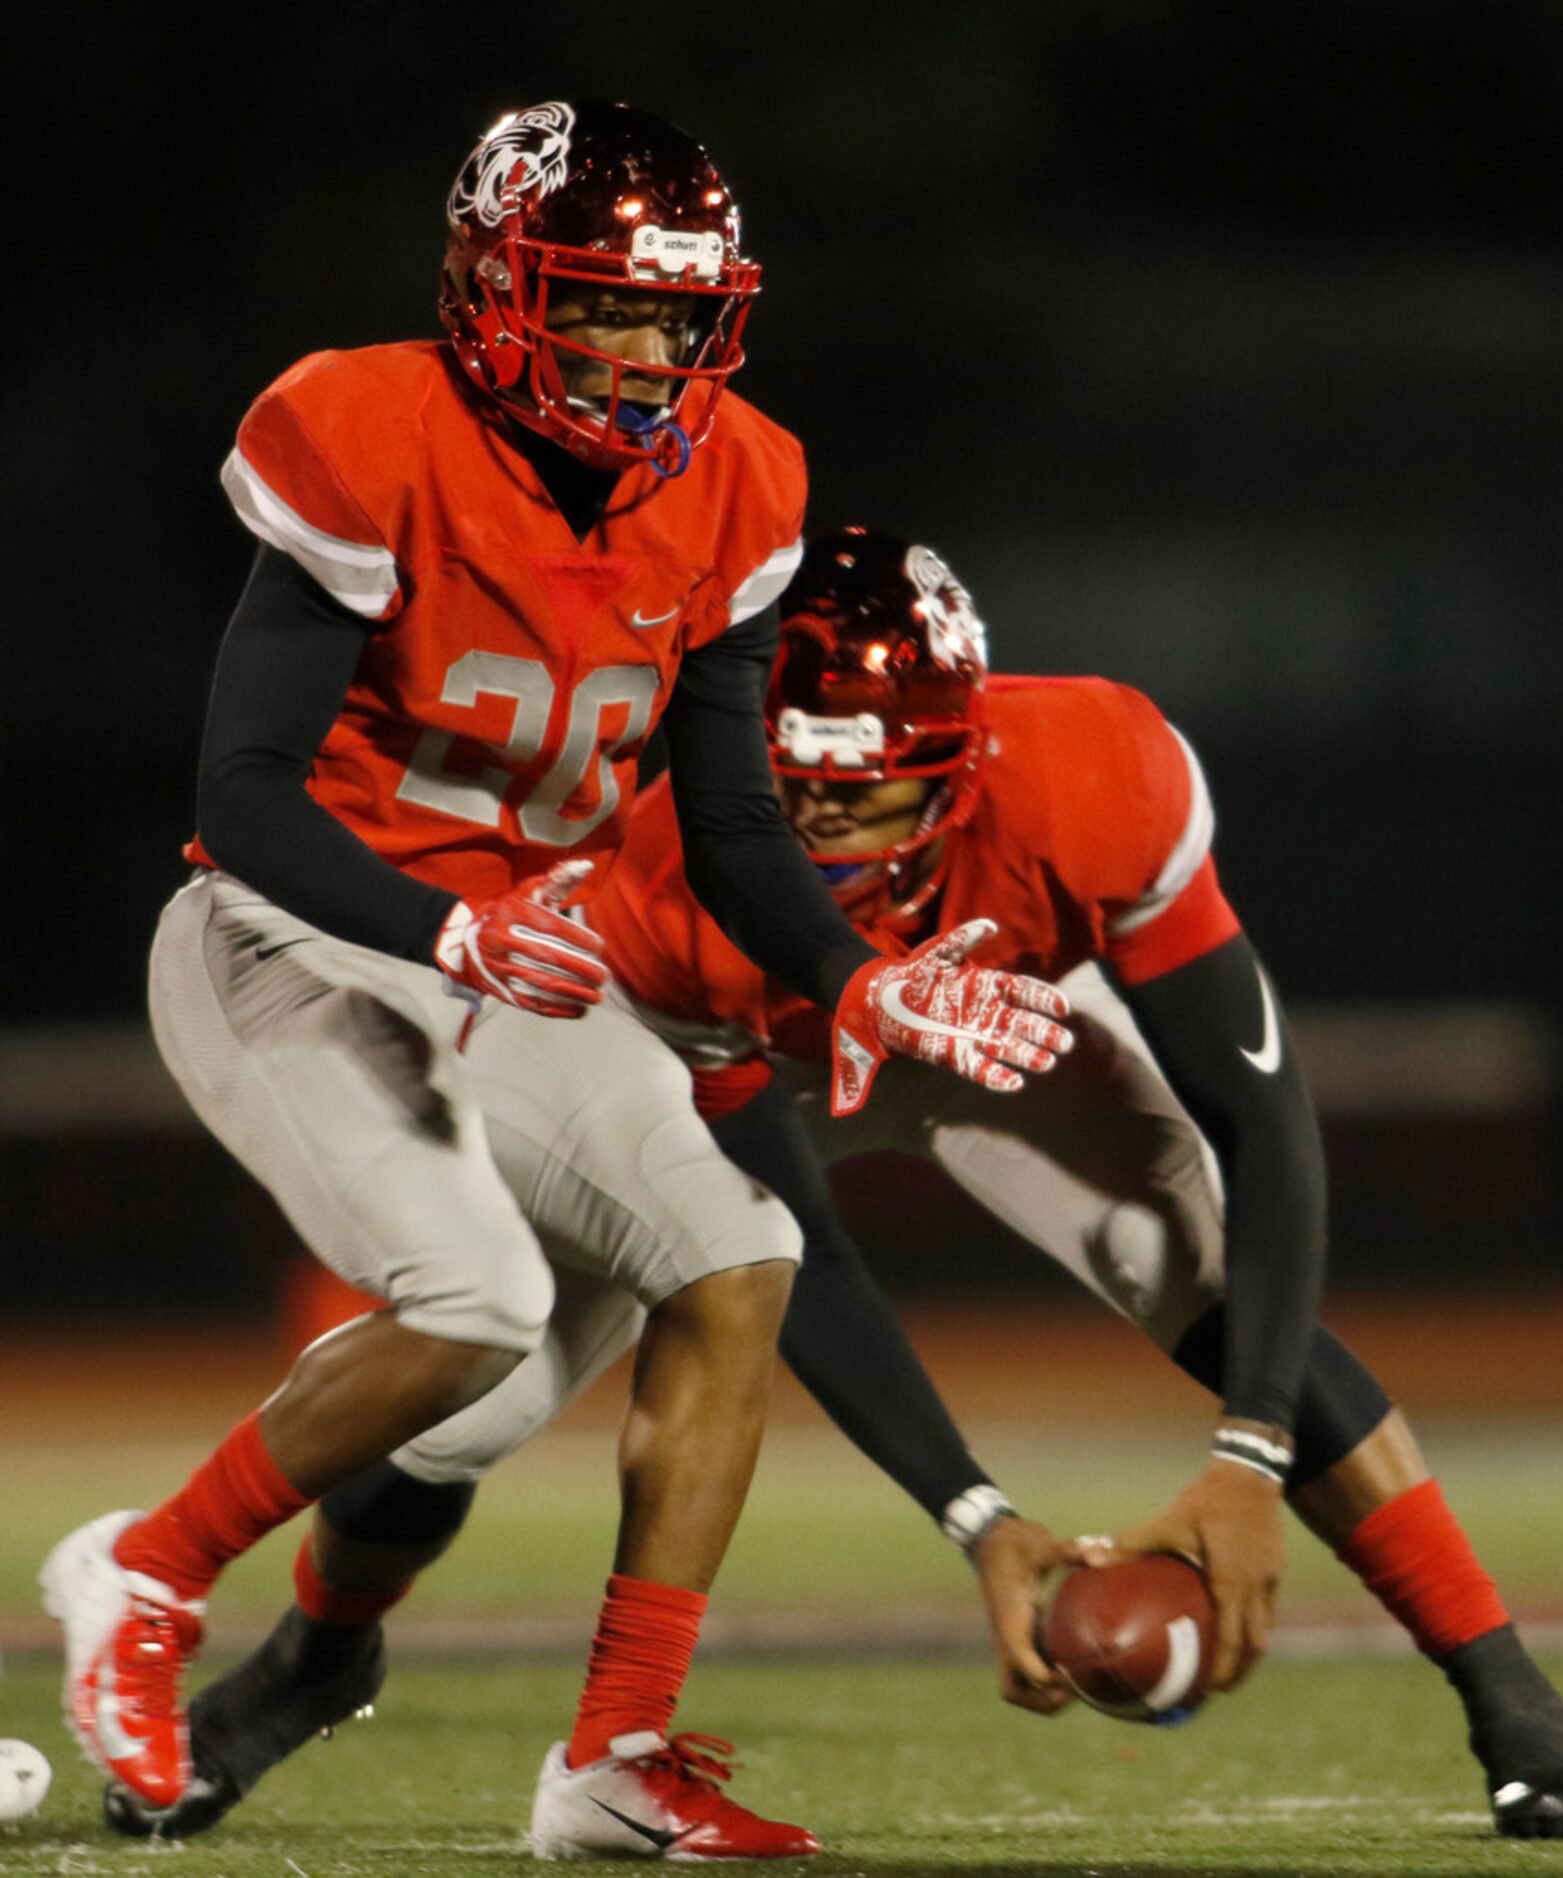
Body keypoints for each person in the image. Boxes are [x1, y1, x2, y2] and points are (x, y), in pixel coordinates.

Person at [104, 527, 1563, 1847]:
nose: (829, 843)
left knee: (1203, 1271)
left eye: (873, 802)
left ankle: (1505, 1689)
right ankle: (320, 1649)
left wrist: (1245, 1455)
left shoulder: (1102, 770)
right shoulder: (676, 878)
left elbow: (1260, 1113)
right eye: (794, 801)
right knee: (475, 1393)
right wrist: (978, 1516)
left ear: (959, 768)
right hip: (759, 1040)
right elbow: (782, 1254)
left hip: (999, 1024)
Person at [39, 113, 1072, 1865]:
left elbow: (733, 812)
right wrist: (442, 931)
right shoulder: (367, 431)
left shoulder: (741, 476)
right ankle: (141, 1572)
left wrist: (860, 976)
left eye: (677, 320)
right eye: (604, 308)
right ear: (496, 286)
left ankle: (612, 1755)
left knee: (741, 1259)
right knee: (478, 1300)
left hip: (512, 973)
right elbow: (242, 792)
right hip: (288, 938)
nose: (648, 354)